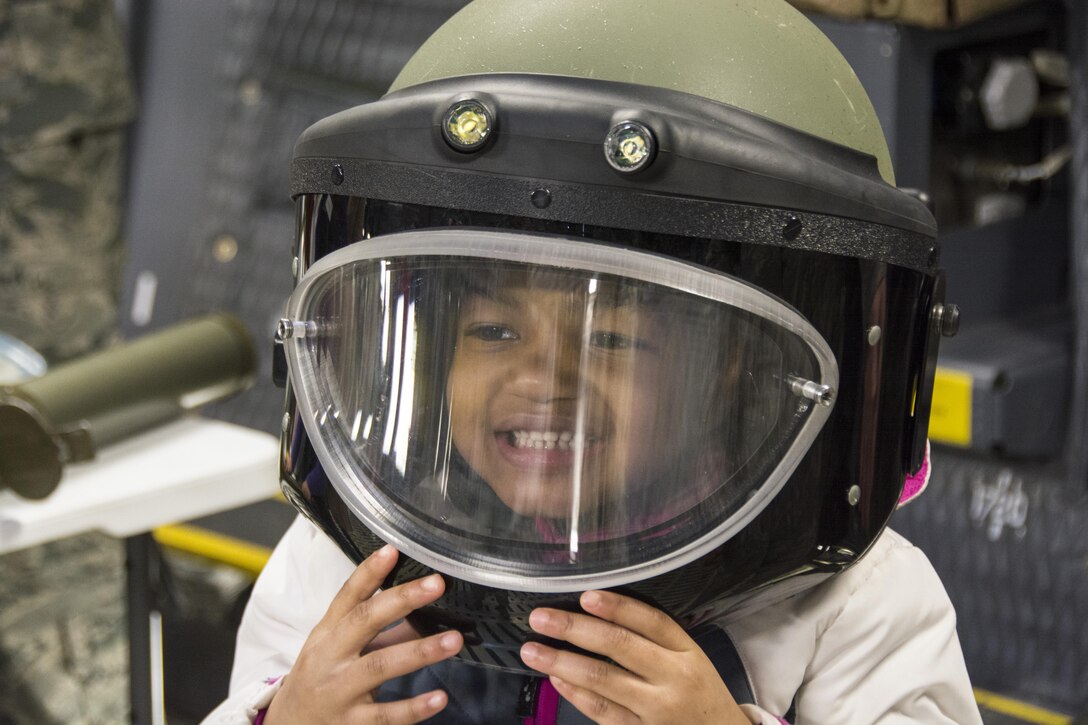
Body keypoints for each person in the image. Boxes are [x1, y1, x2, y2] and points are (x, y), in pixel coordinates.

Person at [204, 0, 983, 722]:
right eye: (494, 333)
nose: (543, 381)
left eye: (612, 340)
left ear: (735, 376)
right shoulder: (346, 564)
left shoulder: (847, 600)